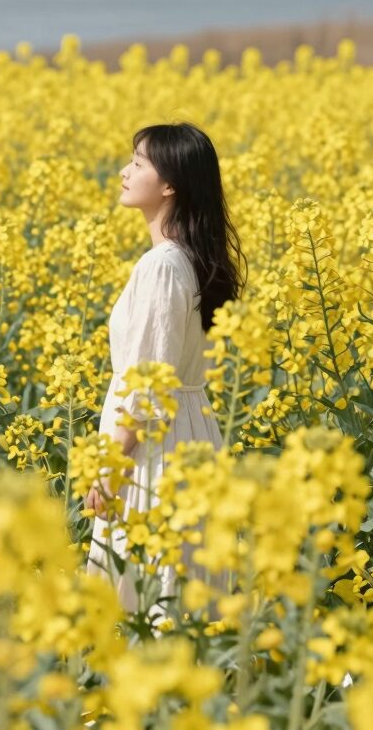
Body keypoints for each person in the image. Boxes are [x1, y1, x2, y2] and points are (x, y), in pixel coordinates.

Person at [84, 121, 247, 617]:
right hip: (192, 432)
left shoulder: (161, 267)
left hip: (153, 449)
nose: (124, 171)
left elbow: (147, 382)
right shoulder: (190, 260)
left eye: (137, 163)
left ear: (170, 184)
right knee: (185, 593)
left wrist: (112, 467)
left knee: (147, 597)